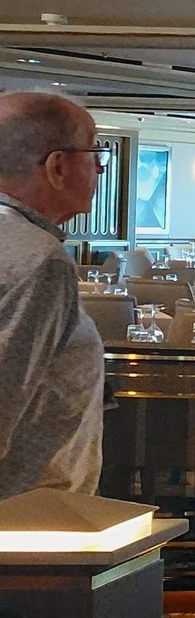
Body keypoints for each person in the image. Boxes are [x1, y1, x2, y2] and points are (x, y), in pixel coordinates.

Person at [0, 92, 105, 499]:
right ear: (57, 166)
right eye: (94, 153)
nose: (99, 168)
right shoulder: (37, 259)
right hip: (29, 515)